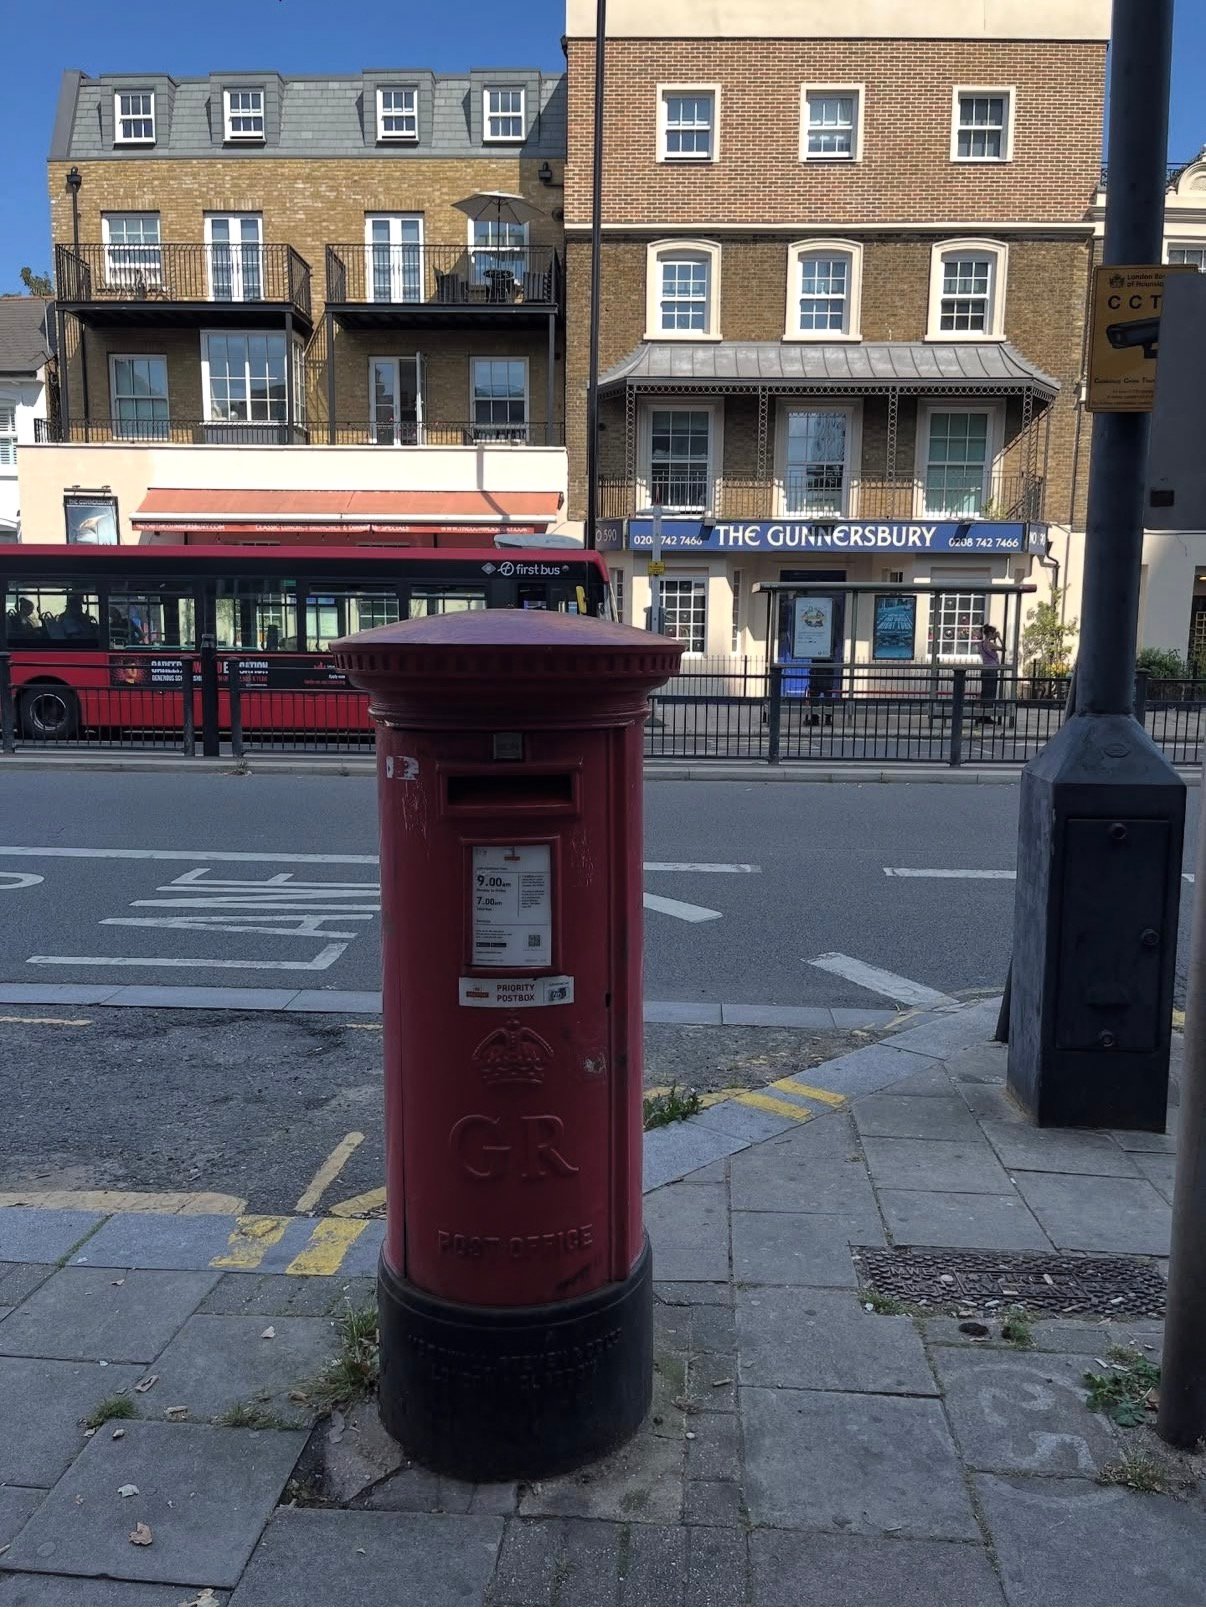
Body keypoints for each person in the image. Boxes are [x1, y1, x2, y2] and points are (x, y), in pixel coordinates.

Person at [977, 624, 1002, 724]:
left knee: (984, 692)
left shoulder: (980, 644)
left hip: (984, 669)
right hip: (992, 670)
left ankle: (982, 714)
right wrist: (999, 638)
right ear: (990, 633)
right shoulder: (990, 644)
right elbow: (1004, 648)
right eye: (994, 633)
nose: (995, 635)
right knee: (991, 693)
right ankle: (987, 715)